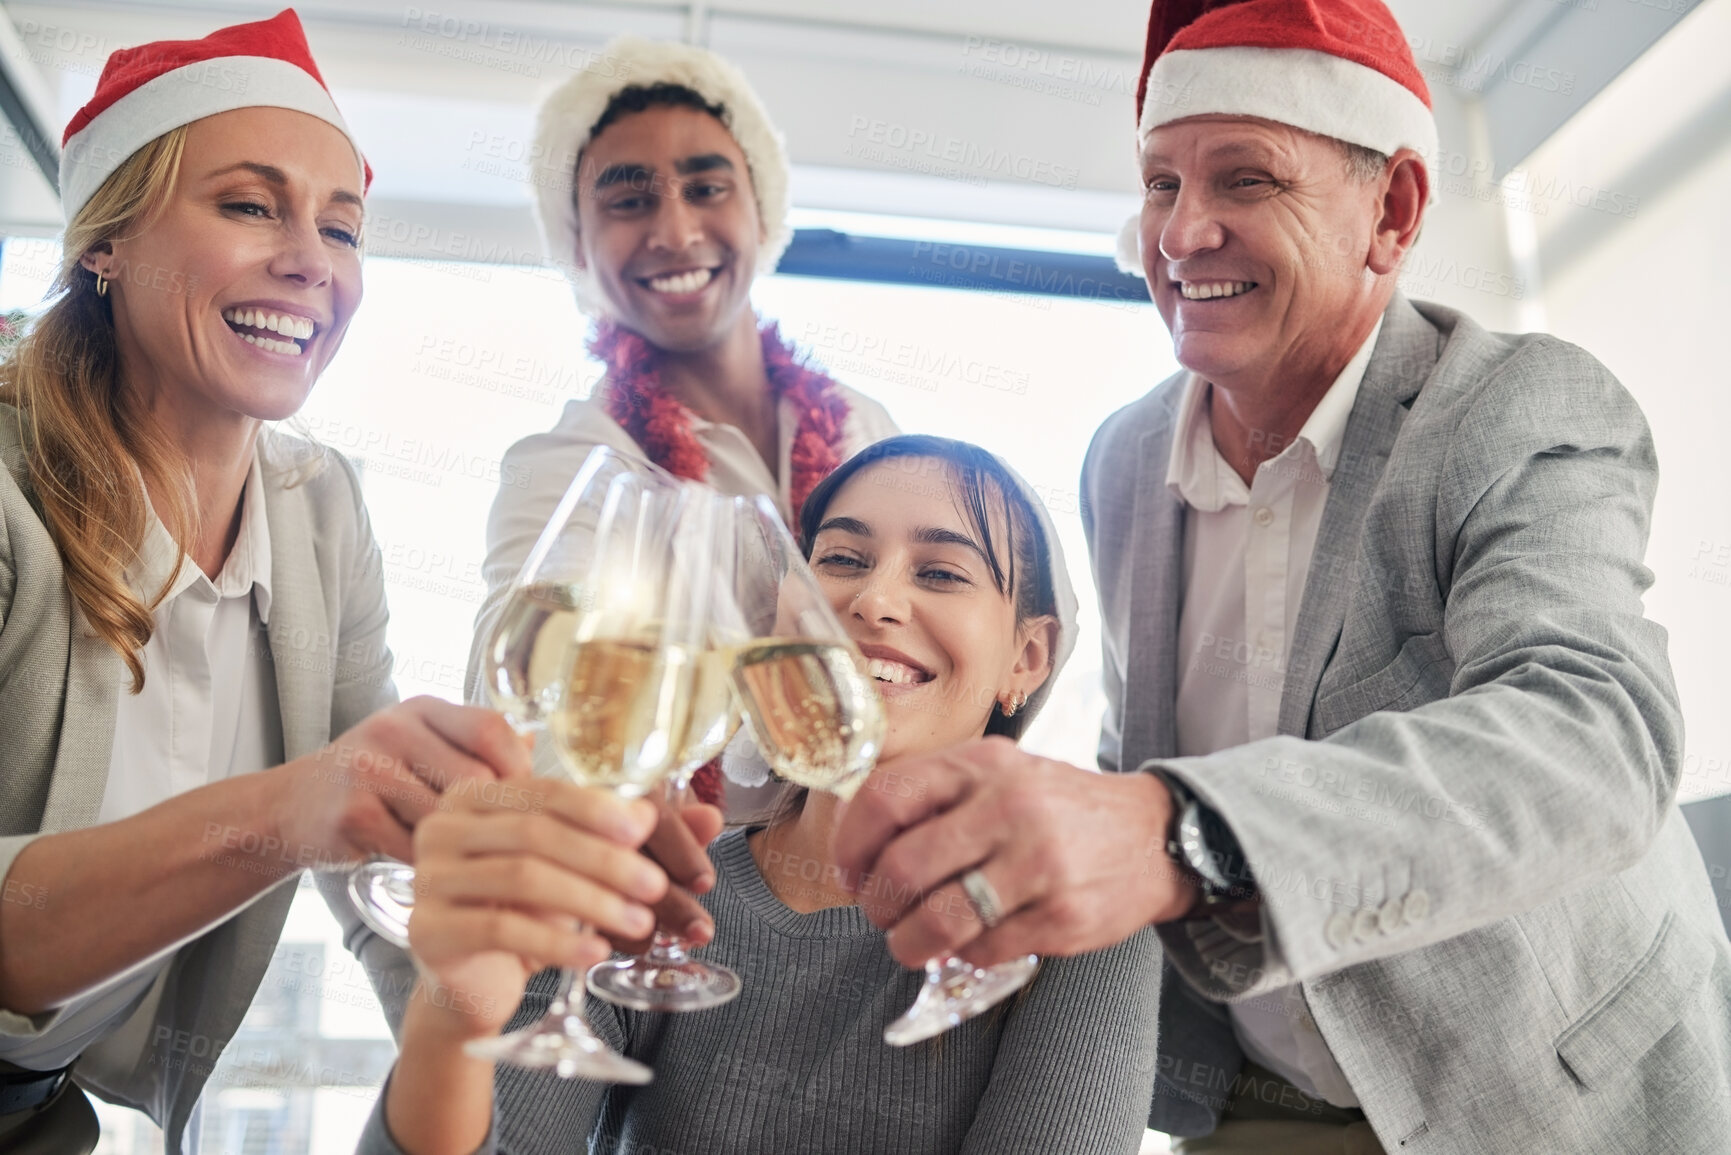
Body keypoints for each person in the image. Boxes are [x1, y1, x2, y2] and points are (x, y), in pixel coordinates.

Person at [833, 2, 1731, 1153]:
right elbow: (1140, 758)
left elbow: (1594, 739)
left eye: (1245, 181)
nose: (1180, 232)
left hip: (1535, 1099)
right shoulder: (1122, 458)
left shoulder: (1518, 410)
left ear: (1392, 211)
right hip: (1251, 1103)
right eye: (1160, 183)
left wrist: (1176, 835)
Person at [0, 12, 528, 1153]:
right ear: (107, 242)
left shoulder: (319, 509)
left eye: (342, 228)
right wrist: (292, 811)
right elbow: (330, 798)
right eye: (249, 205)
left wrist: (487, 1057)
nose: (310, 261)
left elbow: (389, 850)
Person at [355, 435, 1163, 1155]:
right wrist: (451, 1013)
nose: (873, 600)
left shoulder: (1086, 920)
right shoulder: (648, 888)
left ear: (1028, 657)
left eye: (941, 572)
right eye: (841, 559)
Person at [470, 36, 899, 814]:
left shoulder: (862, 425)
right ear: (576, 240)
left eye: (706, 188)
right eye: (628, 200)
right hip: (686, 902)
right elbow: (520, 730)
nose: (674, 231)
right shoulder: (569, 467)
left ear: (760, 209)